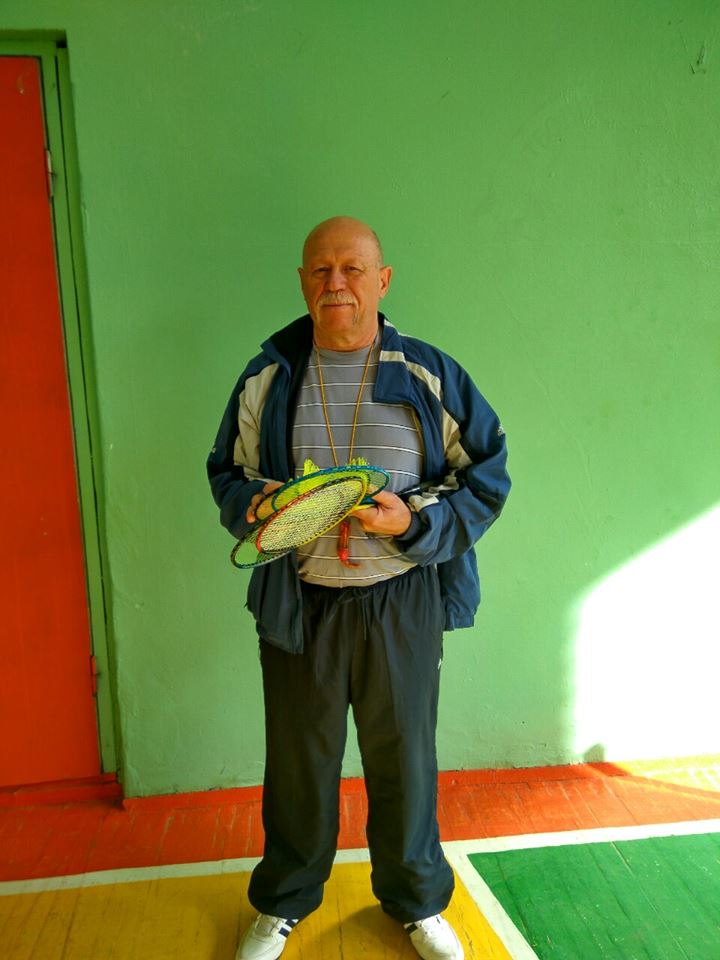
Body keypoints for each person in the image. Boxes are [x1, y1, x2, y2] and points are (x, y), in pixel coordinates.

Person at [207, 217, 511, 960]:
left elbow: (485, 475)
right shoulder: (269, 376)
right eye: (320, 270)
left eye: (351, 269)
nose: (335, 283)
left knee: (404, 758)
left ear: (382, 280)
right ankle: (283, 903)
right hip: (300, 600)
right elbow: (229, 474)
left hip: (401, 599)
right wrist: (258, 505)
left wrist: (413, 520)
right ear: (302, 282)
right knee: (298, 761)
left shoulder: (430, 374)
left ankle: (416, 902)